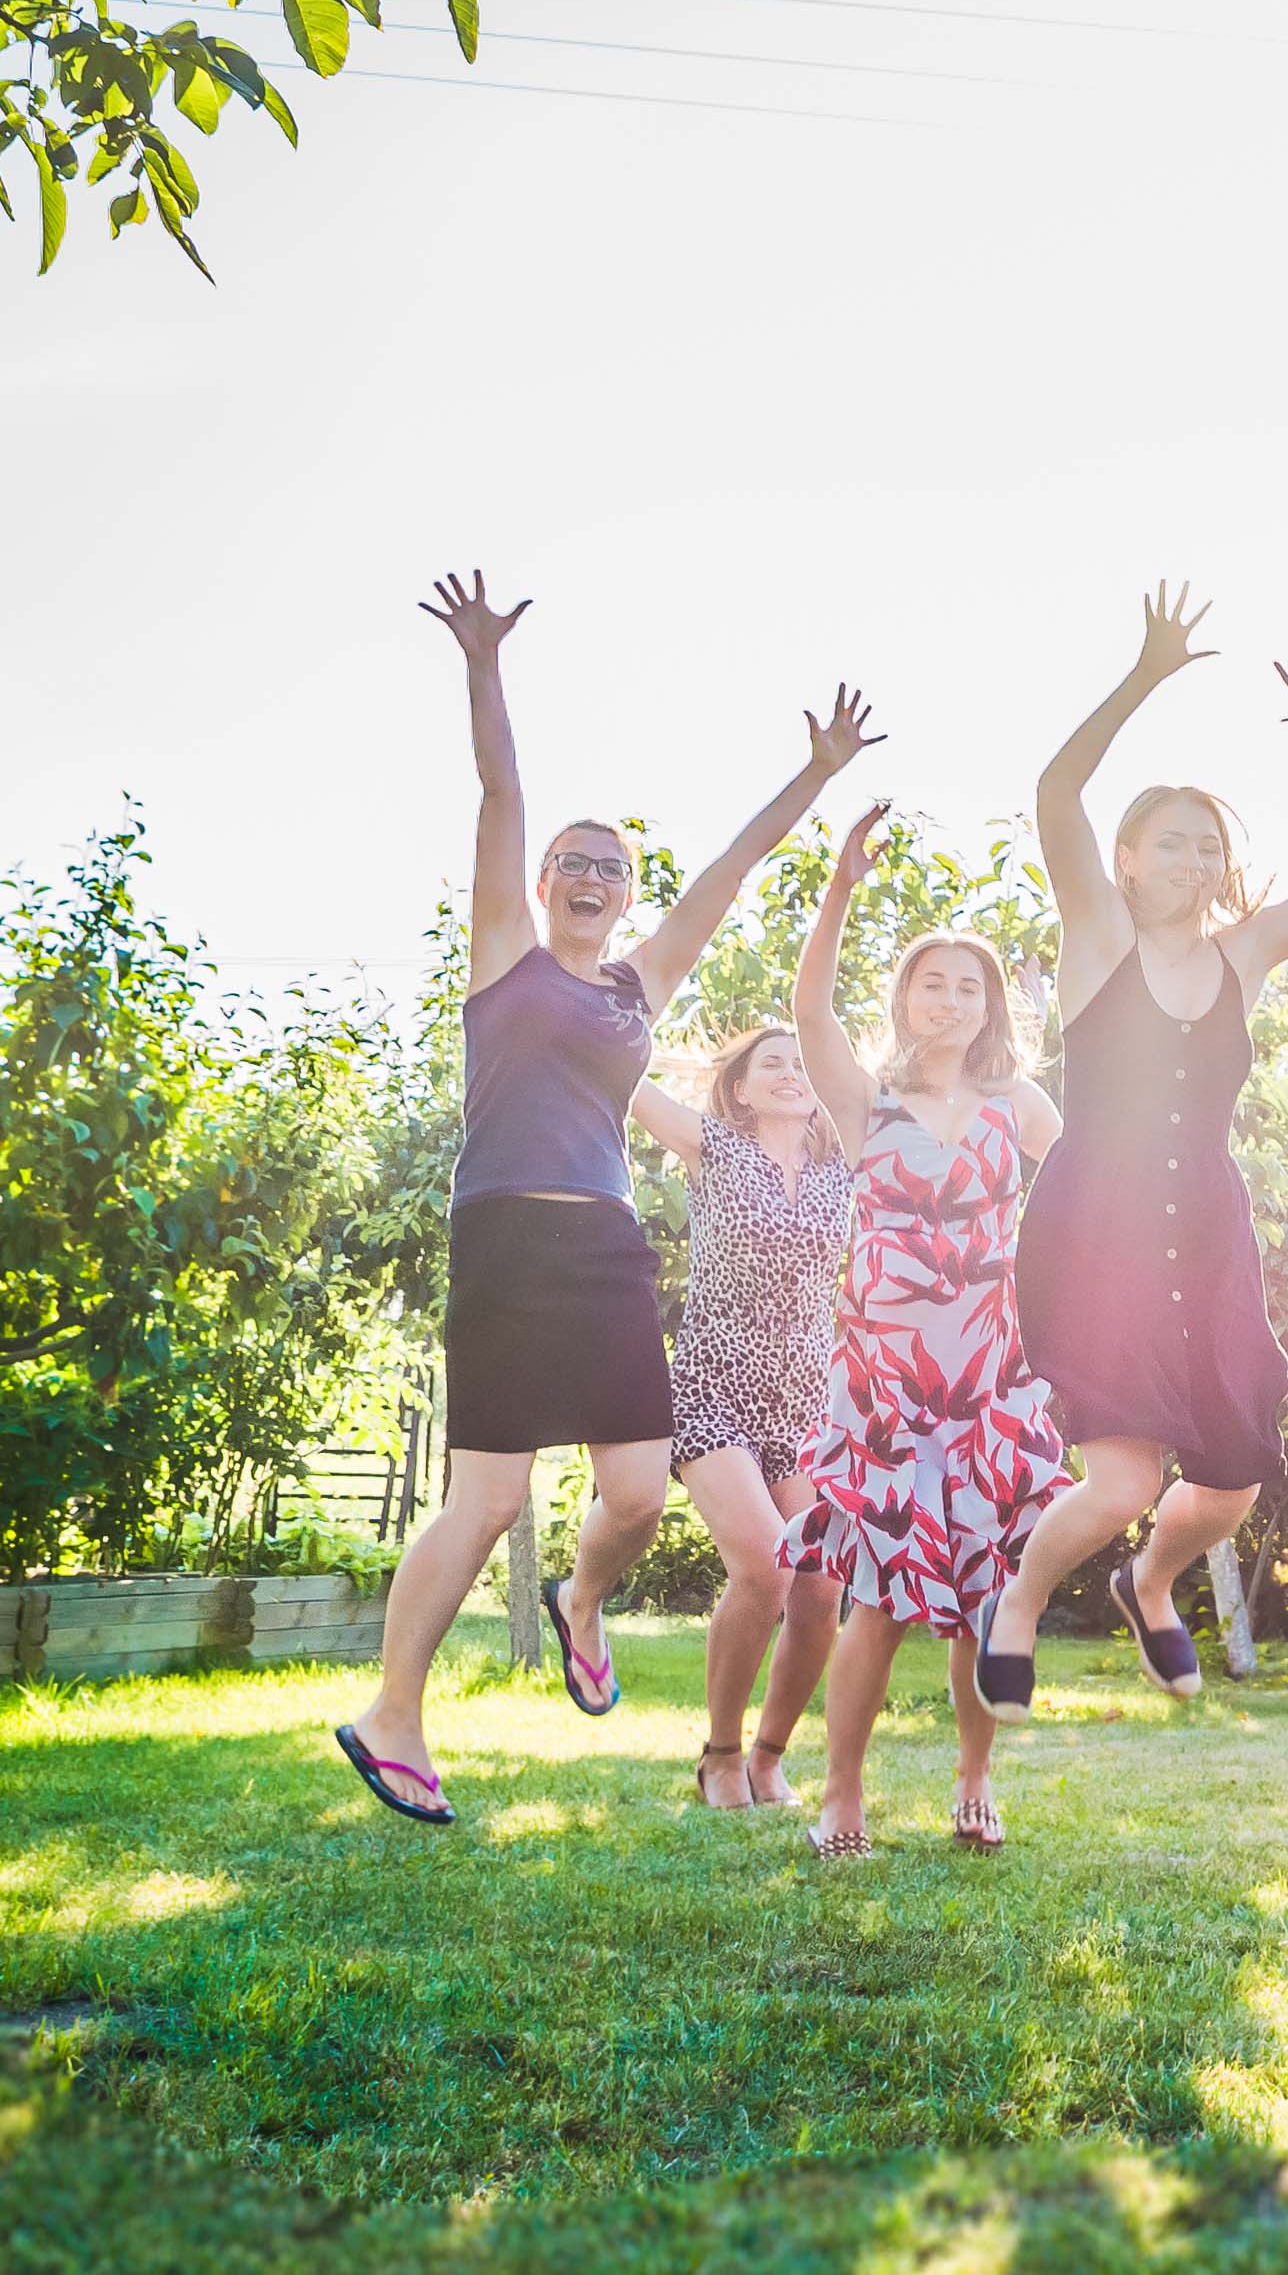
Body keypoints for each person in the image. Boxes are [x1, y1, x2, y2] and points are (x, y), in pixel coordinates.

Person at [331, 572, 874, 1830]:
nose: (586, 874)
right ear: (543, 885)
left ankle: (583, 1602)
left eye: (609, 867)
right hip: (509, 1235)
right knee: (490, 1493)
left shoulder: (639, 985)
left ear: (629, 895)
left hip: (608, 1244)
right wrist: (483, 663)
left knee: (635, 1491)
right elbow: (500, 798)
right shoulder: (504, 961)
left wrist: (816, 774)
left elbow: (732, 873)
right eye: (571, 862)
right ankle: (392, 1714)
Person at [983, 587, 1288, 1712]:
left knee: (1226, 1483)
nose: (1193, 857)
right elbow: (1056, 789)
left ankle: (1150, 1584)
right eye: (1171, 840)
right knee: (1120, 1477)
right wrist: (1147, 670)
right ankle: (1016, 1602)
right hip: (1097, 1236)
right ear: (1123, 859)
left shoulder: (1246, 954)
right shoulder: (1096, 935)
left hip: (1210, 1238)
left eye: (1208, 845)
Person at [779, 806, 1070, 1859]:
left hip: (990, 1376)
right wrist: (842, 886)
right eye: (930, 980)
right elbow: (808, 1006)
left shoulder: (1017, 1102)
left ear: (992, 1003)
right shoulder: (866, 1100)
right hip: (888, 1380)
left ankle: (974, 1775)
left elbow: (1087, 1197)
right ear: (902, 996)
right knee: (879, 1604)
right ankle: (841, 1791)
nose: (948, 998)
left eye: (968, 983)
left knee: (989, 1595)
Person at [627, 1025, 857, 1809]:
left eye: (803, 1061)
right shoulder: (712, 1145)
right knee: (766, 1565)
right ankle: (719, 1754)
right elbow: (622, 1076)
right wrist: (597, 1007)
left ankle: (767, 1756)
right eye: (773, 1064)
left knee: (823, 1588)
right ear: (740, 1087)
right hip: (711, 1386)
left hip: (804, 1403)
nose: (793, 1073)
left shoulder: (845, 1164)